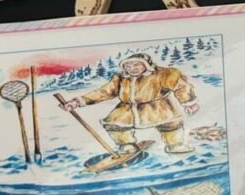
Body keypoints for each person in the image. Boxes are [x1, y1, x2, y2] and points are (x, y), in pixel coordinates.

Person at [61, 53, 198, 155]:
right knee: (115, 124)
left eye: (136, 65)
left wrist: (189, 103)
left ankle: (175, 145)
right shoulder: (121, 78)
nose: (132, 68)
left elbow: (181, 86)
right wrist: (77, 102)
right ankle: (126, 145)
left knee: (170, 125)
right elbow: (104, 92)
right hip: (127, 108)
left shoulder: (163, 74)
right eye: (128, 66)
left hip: (158, 106)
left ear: (146, 65)